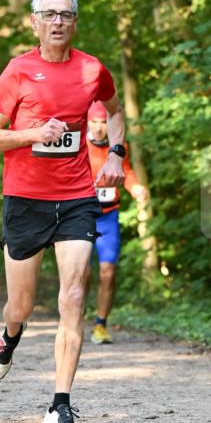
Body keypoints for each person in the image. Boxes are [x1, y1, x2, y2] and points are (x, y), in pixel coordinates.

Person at [0, 0, 126, 423]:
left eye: (65, 14)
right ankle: (10, 334)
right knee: (21, 304)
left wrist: (117, 154)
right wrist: (33, 134)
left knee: (74, 296)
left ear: (74, 21)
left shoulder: (92, 70)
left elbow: (116, 111)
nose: (58, 21)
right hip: (24, 200)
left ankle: (60, 405)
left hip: (77, 198)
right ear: (35, 22)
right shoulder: (18, 72)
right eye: (49, 14)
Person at [85, 100, 148, 344]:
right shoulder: (79, 144)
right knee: (82, 273)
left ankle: (100, 325)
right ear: (88, 123)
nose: (99, 128)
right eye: (94, 122)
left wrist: (135, 189)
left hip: (109, 216)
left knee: (108, 272)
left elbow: (127, 172)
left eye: (103, 122)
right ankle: (74, 320)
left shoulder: (118, 146)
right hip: (83, 216)